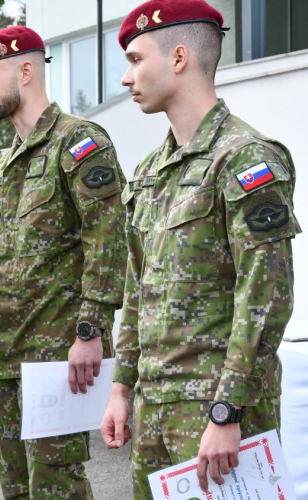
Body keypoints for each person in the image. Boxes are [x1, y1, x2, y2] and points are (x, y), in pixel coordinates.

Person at [100, 1, 300, 497]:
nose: (126, 78)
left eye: (134, 59)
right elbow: (138, 289)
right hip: (153, 410)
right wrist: (121, 389)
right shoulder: (149, 172)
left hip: (218, 416)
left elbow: (266, 295)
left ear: (179, 57)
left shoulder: (245, 158)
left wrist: (227, 410)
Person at [0, 26, 127, 498]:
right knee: (16, 489)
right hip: (9, 359)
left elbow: (107, 238)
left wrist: (90, 332)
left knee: (57, 487)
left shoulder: (79, 143)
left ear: (26, 70)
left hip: (59, 357)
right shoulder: (6, 164)